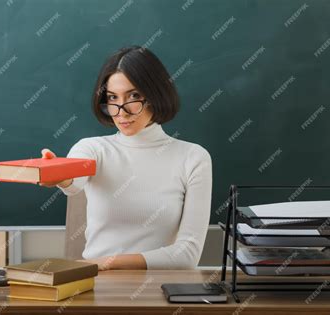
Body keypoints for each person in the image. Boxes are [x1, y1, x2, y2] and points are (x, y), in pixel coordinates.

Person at [40, 46, 212, 271]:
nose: (121, 111)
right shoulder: (93, 148)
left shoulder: (193, 157)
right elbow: (74, 180)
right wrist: (57, 174)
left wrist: (105, 263)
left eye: (134, 96)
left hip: (161, 290)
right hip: (95, 288)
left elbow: (187, 254)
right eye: (112, 98)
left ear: (156, 95)